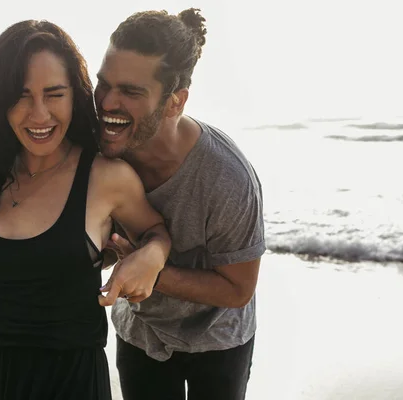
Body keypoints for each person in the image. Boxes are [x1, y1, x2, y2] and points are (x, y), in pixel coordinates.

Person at [0, 19, 171, 400]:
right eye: (21, 95)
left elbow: (155, 230)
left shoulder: (105, 177)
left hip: (69, 383)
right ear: (0, 101)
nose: (39, 114)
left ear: (75, 96)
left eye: (54, 94)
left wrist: (153, 256)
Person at [94, 8, 266, 400]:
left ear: (175, 102)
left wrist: (148, 269)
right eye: (104, 85)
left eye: (131, 92)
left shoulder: (227, 177)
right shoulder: (102, 148)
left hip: (219, 338)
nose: (107, 102)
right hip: (142, 332)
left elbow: (239, 289)